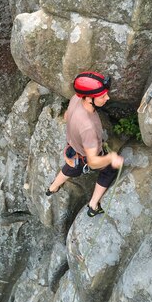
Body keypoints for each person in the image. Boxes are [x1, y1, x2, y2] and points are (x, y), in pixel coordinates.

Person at [46, 71, 124, 217]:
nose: (107, 98)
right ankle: (93, 205)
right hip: (84, 157)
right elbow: (93, 162)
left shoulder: (76, 98)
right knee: (110, 170)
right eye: (102, 96)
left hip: (73, 148)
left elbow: (67, 115)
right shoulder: (88, 127)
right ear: (89, 98)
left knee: (70, 167)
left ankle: (53, 187)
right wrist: (112, 158)